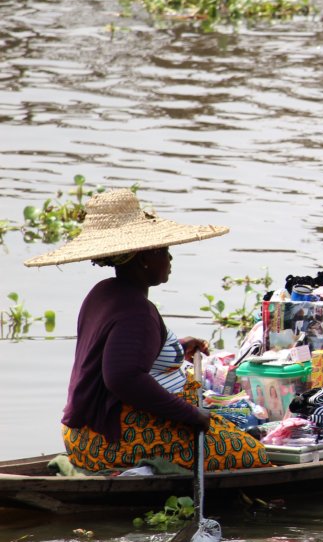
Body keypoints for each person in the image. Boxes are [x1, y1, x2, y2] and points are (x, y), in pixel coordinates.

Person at [25, 188, 272, 473]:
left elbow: (122, 351)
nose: (170, 259)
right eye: (164, 252)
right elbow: (123, 378)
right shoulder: (136, 312)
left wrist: (175, 347)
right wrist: (192, 415)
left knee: (229, 427)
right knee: (249, 452)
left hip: (82, 432)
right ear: (144, 259)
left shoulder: (104, 292)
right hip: (110, 438)